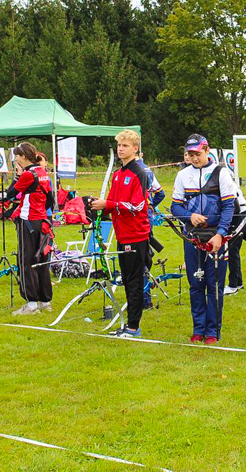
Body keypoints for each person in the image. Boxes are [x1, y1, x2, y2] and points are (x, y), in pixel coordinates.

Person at [171, 134, 236, 344]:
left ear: (207, 150)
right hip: (192, 237)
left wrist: (221, 234)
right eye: (190, 154)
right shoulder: (182, 175)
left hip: (216, 236)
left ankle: (213, 331)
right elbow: (175, 206)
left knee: (214, 285)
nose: (194, 158)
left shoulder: (222, 173)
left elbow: (229, 206)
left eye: (197, 153)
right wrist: (189, 216)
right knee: (195, 283)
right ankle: (198, 329)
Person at [92, 130, 151, 338]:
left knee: (134, 282)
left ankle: (133, 327)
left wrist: (109, 204)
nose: (120, 149)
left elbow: (137, 206)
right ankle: (129, 325)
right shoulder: (118, 175)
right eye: (119, 145)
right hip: (122, 234)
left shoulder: (139, 173)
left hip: (136, 235)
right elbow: (111, 205)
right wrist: (95, 206)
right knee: (126, 280)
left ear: (135, 149)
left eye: (125, 146)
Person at [2, 143, 54, 316]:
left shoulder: (28, 174)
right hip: (41, 220)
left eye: (17, 156)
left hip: (28, 221)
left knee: (26, 261)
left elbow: (10, 193)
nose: (16, 159)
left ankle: (31, 303)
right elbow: (50, 199)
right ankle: (45, 301)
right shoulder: (43, 172)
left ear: (23, 156)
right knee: (41, 260)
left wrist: (17, 177)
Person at [136, 152, 165, 309]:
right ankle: (142, 297)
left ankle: (144, 299)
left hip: (141, 216)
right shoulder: (147, 169)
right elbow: (160, 192)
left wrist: (150, 206)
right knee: (144, 254)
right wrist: (152, 205)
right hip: (146, 213)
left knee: (140, 256)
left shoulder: (138, 170)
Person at [224, 180, 246, 296]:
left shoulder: (225, 181)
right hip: (238, 214)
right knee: (233, 250)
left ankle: (233, 285)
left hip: (237, 214)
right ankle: (238, 282)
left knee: (232, 250)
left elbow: (234, 205)